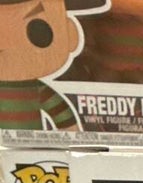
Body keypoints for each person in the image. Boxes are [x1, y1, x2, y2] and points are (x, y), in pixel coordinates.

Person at [0, 0, 106, 130]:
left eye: (37, 30)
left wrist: (72, 137)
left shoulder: (39, 90)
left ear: (70, 34)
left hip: (29, 142)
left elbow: (66, 122)